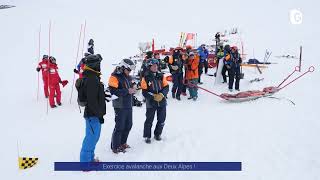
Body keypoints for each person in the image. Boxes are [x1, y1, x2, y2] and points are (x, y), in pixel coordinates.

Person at [80, 54, 106, 162]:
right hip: (92, 114)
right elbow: (91, 100)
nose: (100, 66)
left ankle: (90, 159)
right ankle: (85, 163)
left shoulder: (93, 76)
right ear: (95, 65)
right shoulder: (91, 79)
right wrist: (99, 114)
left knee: (94, 138)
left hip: (94, 114)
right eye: (99, 64)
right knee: (90, 139)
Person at [108, 59, 136, 153]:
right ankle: (115, 146)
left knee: (128, 125)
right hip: (119, 105)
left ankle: (123, 143)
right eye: (128, 70)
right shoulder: (114, 77)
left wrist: (134, 85)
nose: (129, 72)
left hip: (128, 104)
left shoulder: (128, 76)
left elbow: (131, 83)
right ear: (123, 67)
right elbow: (112, 92)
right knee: (120, 126)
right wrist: (127, 91)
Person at [141, 59, 169, 143]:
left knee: (162, 119)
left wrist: (162, 94)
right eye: (153, 66)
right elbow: (144, 92)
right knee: (149, 119)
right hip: (151, 102)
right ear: (149, 67)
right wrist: (153, 97)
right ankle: (147, 136)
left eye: (156, 65)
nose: (155, 67)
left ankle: (158, 134)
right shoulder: (145, 77)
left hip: (162, 101)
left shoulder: (161, 75)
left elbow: (166, 87)